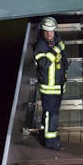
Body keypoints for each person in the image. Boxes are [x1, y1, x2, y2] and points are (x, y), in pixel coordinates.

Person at [33, 16, 69, 150]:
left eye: (52, 31)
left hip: (58, 86)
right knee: (51, 114)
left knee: (49, 114)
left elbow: (64, 60)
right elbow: (43, 63)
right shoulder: (39, 46)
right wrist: (56, 50)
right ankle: (51, 141)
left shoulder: (57, 41)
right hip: (49, 88)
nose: (49, 34)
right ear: (42, 31)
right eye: (47, 31)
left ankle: (44, 134)